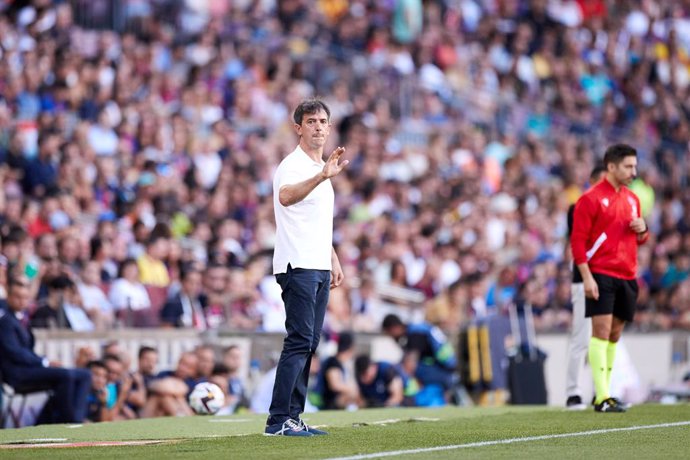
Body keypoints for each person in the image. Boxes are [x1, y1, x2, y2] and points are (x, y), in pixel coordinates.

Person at [264, 99, 348, 437]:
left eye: (322, 121)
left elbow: (314, 221)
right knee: (299, 340)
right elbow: (285, 197)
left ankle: (293, 416)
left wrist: (333, 257)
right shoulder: (294, 165)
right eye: (310, 121)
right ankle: (277, 420)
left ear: (329, 127)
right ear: (298, 127)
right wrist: (321, 176)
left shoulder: (321, 168)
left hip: (316, 263)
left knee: (309, 342)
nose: (317, 126)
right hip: (296, 263)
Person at [571, 144, 649, 413]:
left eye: (635, 166)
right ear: (611, 167)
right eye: (628, 166)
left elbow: (639, 237)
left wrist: (643, 230)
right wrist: (587, 277)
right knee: (601, 332)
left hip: (627, 274)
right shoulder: (590, 199)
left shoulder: (632, 199)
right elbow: (577, 242)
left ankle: (606, 393)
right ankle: (602, 395)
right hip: (601, 273)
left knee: (614, 335)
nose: (633, 172)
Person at [0, 274, 91, 424]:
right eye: (17, 297)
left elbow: (26, 351)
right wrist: (45, 362)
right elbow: (16, 353)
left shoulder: (22, 319)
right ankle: (71, 422)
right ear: (8, 297)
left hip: (30, 369)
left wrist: (45, 362)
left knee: (84, 375)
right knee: (65, 375)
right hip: (17, 374)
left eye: (25, 297)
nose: (22, 301)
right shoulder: (5, 322)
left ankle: (76, 419)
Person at [565, 165, 606, 410]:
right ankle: (573, 392)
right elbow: (581, 240)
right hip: (584, 279)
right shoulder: (578, 207)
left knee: (601, 339)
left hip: (607, 279)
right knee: (581, 338)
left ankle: (600, 391)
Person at [381, 313, 457, 404]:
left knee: (402, 369)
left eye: (389, 333)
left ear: (394, 328)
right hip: (444, 368)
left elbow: (410, 364)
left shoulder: (415, 334)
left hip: (444, 371)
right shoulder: (415, 329)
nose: (391, 337)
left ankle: (407, 400)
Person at [315, 332, 360, 410]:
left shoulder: (343, 363)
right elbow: (335, 385)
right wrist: (351, 389)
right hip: (330, 403)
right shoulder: (333, 362)